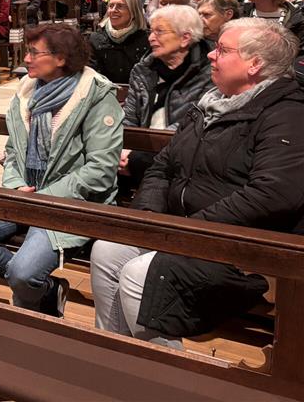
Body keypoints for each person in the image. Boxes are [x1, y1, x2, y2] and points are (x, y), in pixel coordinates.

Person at [91, 19, 303, 348]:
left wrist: (191, 229)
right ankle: (114, 357)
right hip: (186, 233)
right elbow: (164, 165)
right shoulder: (211, 104)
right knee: (109, 249)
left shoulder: (286, 114)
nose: (211, 56)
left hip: (245, 250)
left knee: (140, 274)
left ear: (255, 64)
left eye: (223, 49)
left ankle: (166, 377)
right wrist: (147, 216)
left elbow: (273, 194)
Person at [0, 24, 122, 317]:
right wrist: (17, 184)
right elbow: (13, 150)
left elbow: (102, 169)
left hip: (69, 201)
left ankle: (30, 321)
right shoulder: (28, 93)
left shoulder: (95, 97)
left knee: (22, 272)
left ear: (61, 58)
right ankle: (47, 292)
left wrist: (45, 195)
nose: (26, 59)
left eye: (33, 52)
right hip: (26, 193)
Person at [120, 4, 214, 181]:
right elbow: (130, 118)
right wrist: (124, 149)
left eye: (159, 32)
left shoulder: (209, 72)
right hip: (139, 150)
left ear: (185, 38)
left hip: (184, 156)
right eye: (151, 31)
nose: (150, 38)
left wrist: (138, 156)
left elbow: (191, 125)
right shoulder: (143, 70)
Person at [88, 0, 150, 85]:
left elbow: (148, 76)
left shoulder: (146, 39)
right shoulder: (95, 38)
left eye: (120, 6)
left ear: (133, 10)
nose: (113, 10)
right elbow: (92, 74)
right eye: (111, 6)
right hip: (104, 93)